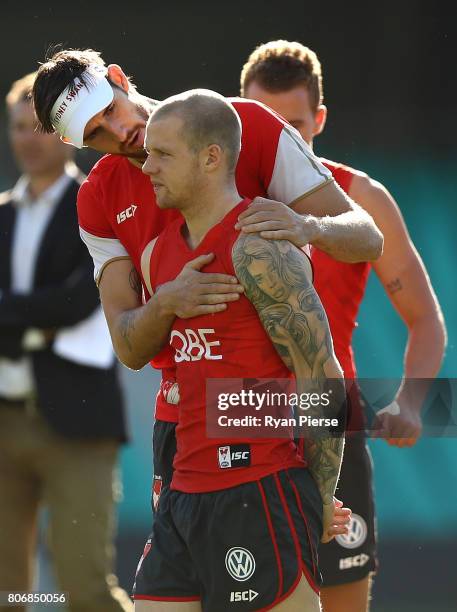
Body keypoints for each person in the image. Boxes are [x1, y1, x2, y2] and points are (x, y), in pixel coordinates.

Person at [31, 49, 382, 513]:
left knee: (299, 574)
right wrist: (166, 302)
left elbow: (367, 238)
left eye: (111, 110)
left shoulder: (247, 125)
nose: (117, 132)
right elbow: (129, 348)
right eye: (94, 132)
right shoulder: (97, 198)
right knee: (169, 586)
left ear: (119, 77)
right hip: (183, 416)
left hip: (276, 404)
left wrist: (307, 227)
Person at [239, 40, 447, 612]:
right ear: (239, 116)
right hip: (234, 418)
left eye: (296, 127)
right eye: (267, 123)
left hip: (329, 416)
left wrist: (410, 401)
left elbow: (426, 319)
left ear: (321, 120)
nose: (282, 140)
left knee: (342, 605)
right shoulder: (208, 196)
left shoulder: (360, 201)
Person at [136, 88, 345, 611]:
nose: (146, 167)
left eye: (162, 154)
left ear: (211, 157)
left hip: (261, 490)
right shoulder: (158, 255)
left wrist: (319, 498)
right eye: (147, 153)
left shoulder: (260, 247)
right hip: (181, 497)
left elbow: (323, 379)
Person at [0, 72, 132, 612]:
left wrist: (11, 313)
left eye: (38, 127)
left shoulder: (95, 200)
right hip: (5, 422)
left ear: (64, 132)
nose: (28, 139)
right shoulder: (2, 215)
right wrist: (38, 321)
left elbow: (79, 301)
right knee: (10, 592)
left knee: (85, 590)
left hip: (76, 418)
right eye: (17, 128)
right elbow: (55, 308)